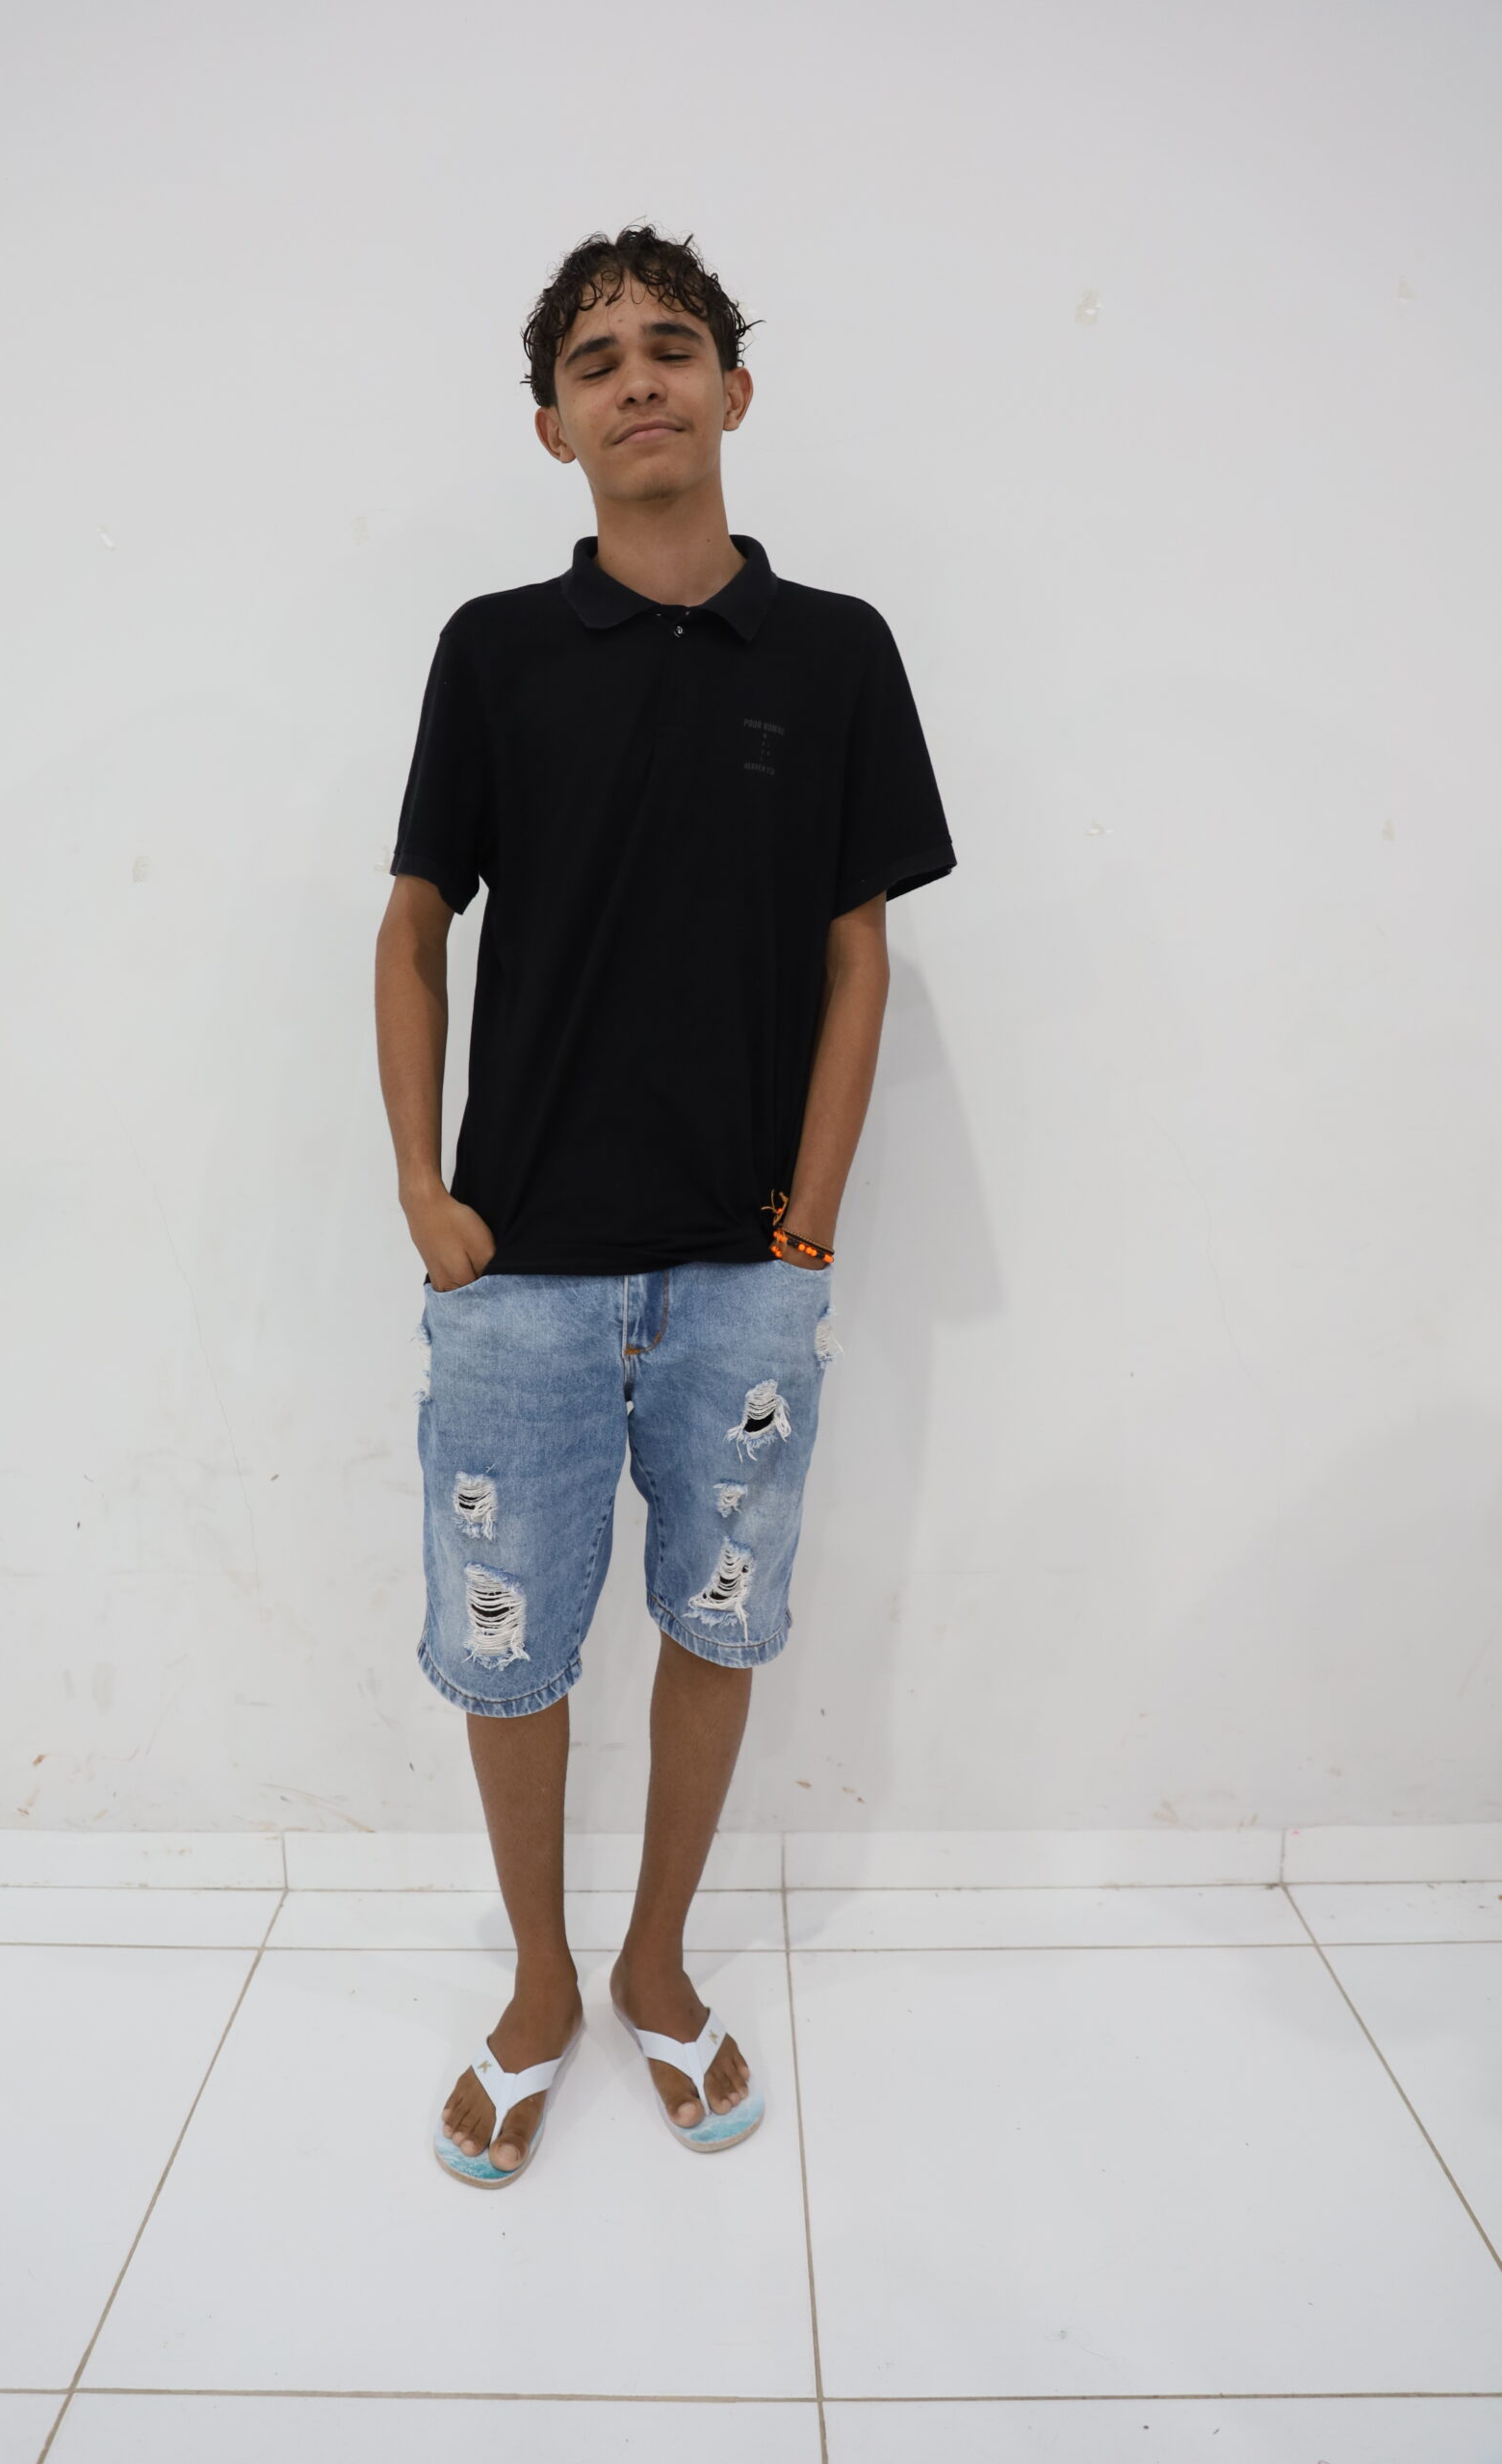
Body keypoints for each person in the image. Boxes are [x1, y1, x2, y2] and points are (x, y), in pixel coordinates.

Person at [375, 223, 955, 2186]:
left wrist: (805, 1229)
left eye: (674, 344)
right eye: (597, 357)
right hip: (519, 1269)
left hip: (740, 1276)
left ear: (733, 390)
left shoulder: (837, 651)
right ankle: (538, 1980)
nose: (639, 375)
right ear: (552, 424)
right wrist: (423, 1189)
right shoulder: (494, 651)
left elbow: (858, 954)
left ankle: (653, 1963)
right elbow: (412, 924)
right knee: (511, 1648)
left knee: (717, 1624)